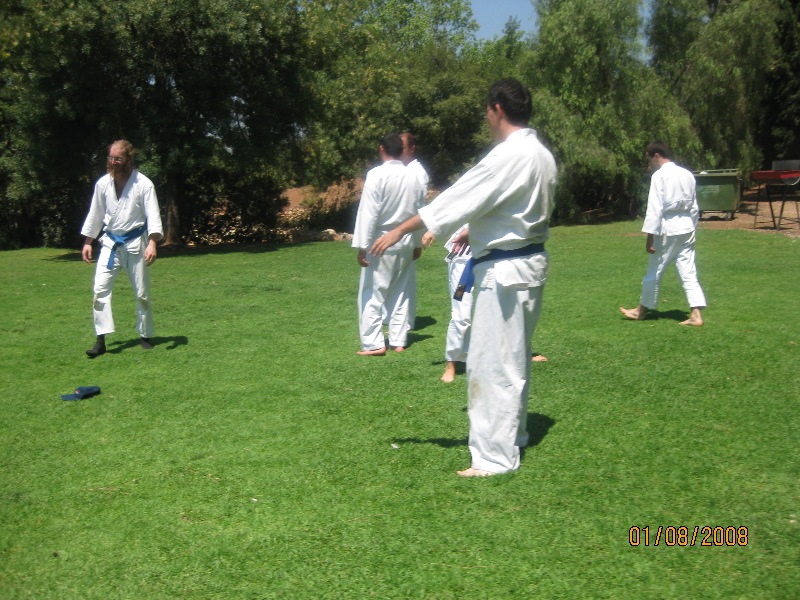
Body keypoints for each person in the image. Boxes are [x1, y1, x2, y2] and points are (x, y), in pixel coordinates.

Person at [371, 79, 557, 476]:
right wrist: (476, 230)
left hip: (504, 272)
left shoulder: (508, 155)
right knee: (514, 359)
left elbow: (457, 199)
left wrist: (399, 230)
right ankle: (515, 436)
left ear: (497, 109)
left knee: (492, 364)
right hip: (529, 265)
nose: (486, 118)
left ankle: (494, 458)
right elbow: (513, 209)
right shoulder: (541, 154)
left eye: (486, 111)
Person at [81, 140, 164, 357]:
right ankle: (101, 340)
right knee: (99, 290)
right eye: (111, 158)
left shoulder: (144, 184)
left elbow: (153, 215)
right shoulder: (103, 184)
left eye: (118, 158)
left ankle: (145, 335)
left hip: (136, 244)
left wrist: (152, 243)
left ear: (129, 158)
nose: (113, 162)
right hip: (110, 244)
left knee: (142, 293)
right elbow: (95, 214)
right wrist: (88, 242)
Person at [353, 133, 425, 356]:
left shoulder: (376, 175)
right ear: (402, 151)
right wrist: (417, 243)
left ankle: (374, 343)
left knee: (372, 293)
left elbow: (369, 212)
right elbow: (420, 212)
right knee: (401, 293)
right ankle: (398, 340)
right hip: (405, 240)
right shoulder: (414, 176)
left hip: (381, 241)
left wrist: (363, 246)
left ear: (381, 149)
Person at [619, 141, 706, 326]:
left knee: (654, 270)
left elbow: (655, 208)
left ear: (656, 155)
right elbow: (694, 206)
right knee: (688, 271)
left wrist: (650, 237)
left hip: (669, 228)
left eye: (649, 159)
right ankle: (696, 314)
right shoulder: (687, 174)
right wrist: (693, 228)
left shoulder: (659, 176)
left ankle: (640, 311)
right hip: (687, 227)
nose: (649, 164)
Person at [400, 132, 429, 331]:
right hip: (399, 233)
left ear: (412, 149)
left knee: (406, 280)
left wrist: (418, 242)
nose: (399, 152)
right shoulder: (403, 170)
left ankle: (406, 320)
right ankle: (395, 318)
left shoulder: (417, 172)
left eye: (402, 147)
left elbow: (420, 209)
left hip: (409, 233)